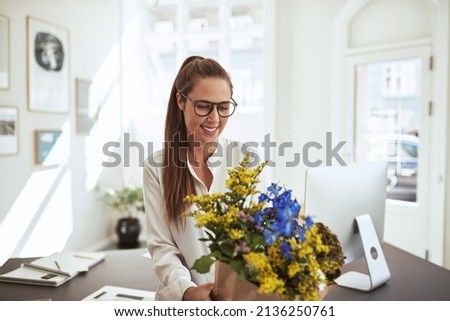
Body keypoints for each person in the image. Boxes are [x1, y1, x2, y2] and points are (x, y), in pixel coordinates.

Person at [143, 56, 258, 301]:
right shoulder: (158, 167)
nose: (215, 119)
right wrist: (186, 290)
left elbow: (260, 234)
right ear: (181, 101)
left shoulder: (246, 159)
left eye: (223, 107)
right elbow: (162, 247)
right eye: (204, 106)